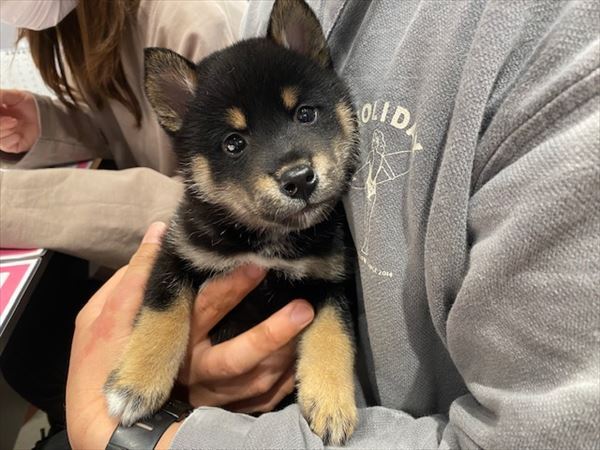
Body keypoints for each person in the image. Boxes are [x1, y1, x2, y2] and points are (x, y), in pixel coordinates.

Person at [68, 0, 599, 448]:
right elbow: (171, 276)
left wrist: (148, 439)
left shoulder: (549, 40)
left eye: (305, 115)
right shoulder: (207, 221)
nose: (291, 166)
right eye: (234, 143)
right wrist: (165, 372)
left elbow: (330, 297)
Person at [0, 0, 314, 443]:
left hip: (242, 295)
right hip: (185, 283)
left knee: (38, 350)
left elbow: (219, 205)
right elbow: (114, 125)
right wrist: (43, 123)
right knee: (28, 347)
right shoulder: (75, 28)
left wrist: (13, 202)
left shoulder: (191, 21)